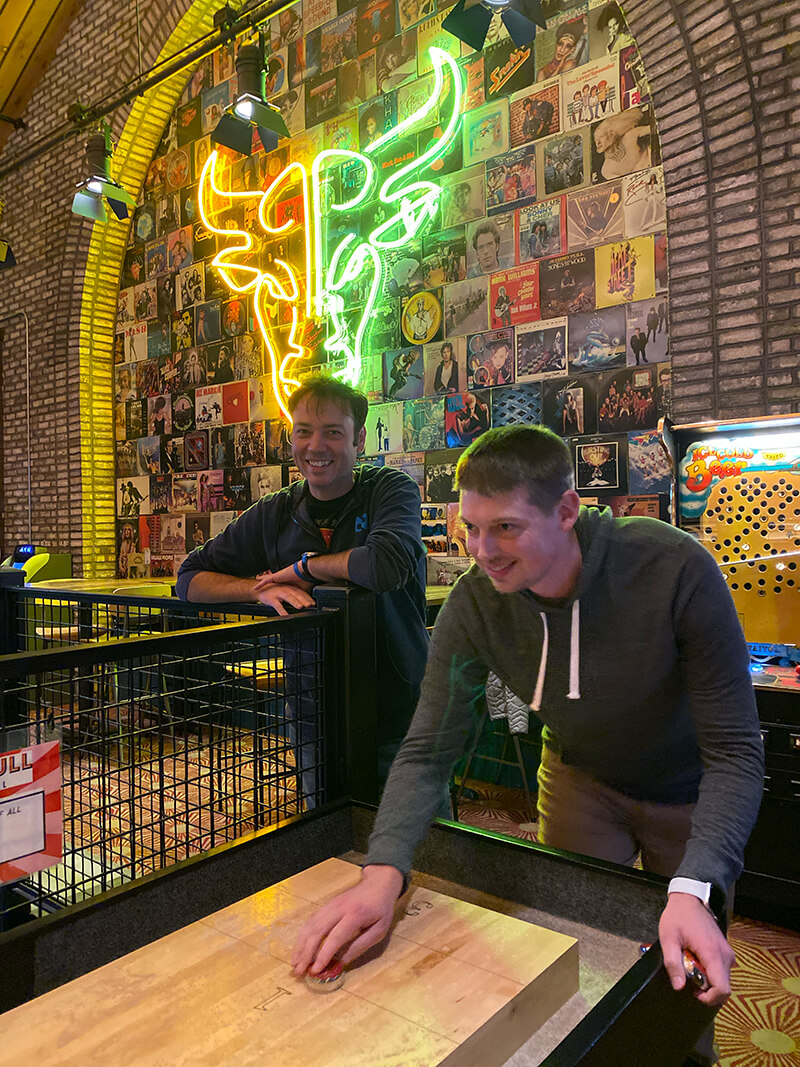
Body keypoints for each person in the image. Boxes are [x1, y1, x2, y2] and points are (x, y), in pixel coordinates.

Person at [293, 426, 764, 1065]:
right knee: (575, 947)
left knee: (687, 969)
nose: (483, 551)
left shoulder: (673, 567)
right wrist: (384, 871)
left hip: (690, 790)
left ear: (566, 511)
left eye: (507, 528)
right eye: (471, 528)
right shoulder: (474, 604)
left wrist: (695, 887)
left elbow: (735, 752)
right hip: (580, 777)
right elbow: (429, 747)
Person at [176, 377, 429, 800]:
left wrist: (303, 569)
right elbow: (189, 579)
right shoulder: (276, 511)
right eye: (304, 431)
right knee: (329, 831)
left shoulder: (390, 489)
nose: (316, 446)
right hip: (314, 713)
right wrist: (255, 590)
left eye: (333, 432)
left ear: (359, 439)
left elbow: (383, 565)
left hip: (400, 707)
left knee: (421, 833)